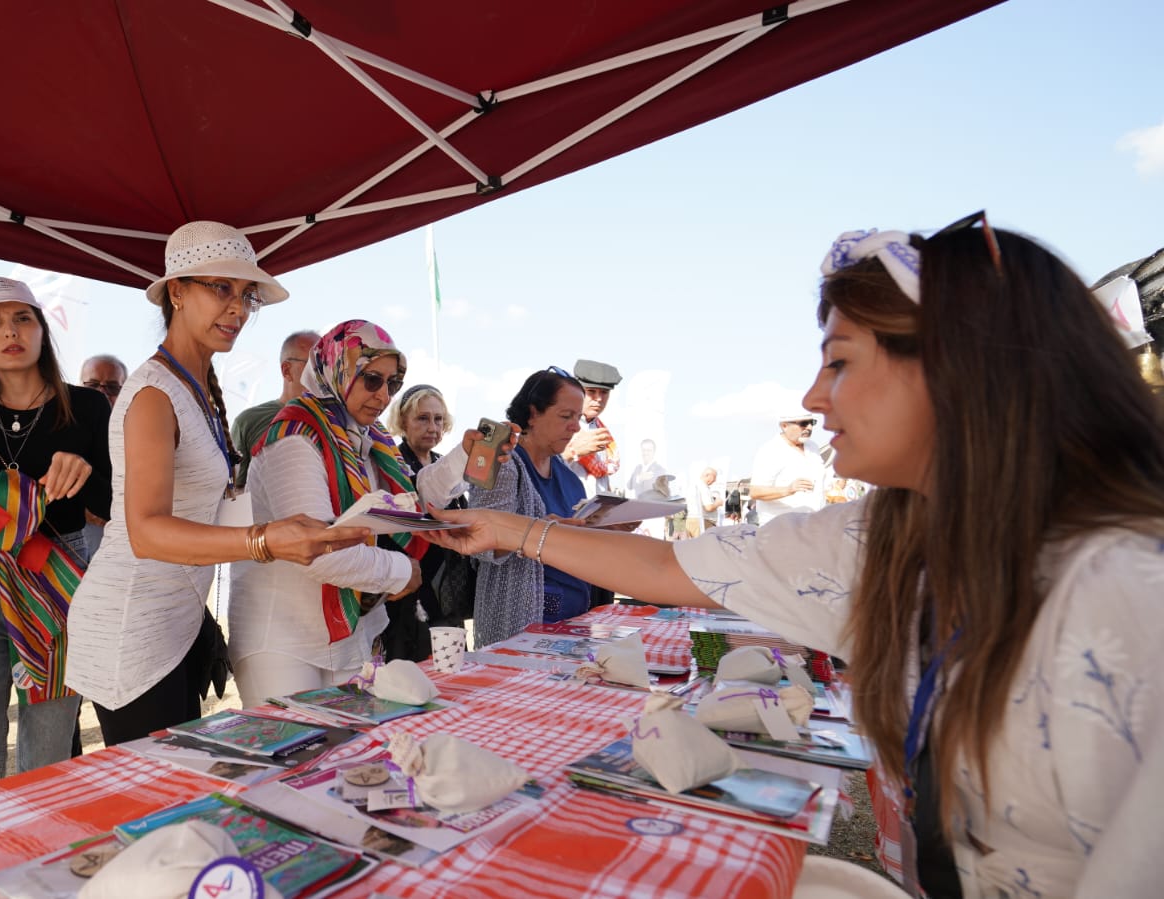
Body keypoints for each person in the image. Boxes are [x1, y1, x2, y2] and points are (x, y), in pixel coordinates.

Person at [425, 217, 1164, 898]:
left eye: (839, 361)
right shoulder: (887, 535)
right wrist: (510, 529)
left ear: (958, 367)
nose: (814, 396)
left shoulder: (1126, 593)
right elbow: (669, 571)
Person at [64, 221, 367, 746]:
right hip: (131, 625)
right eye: (221, 288)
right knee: (156, 800)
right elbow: (146, 532)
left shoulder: (196, 385)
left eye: (247, 295)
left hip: (177, 618)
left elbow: (205, 506)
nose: (239, 308)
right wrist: (266, 540)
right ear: (176, 292)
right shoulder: (154, 393)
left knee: (179, 792)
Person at [230, 325, 475, 703]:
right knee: (294, 756)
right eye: (372, 379)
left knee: (345, 756)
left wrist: (462, 457)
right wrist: (401, 572)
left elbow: (405, 500)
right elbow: (318, 551)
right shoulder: (295, 437)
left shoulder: (366, 438)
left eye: (393, 384)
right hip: (283, 639)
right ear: (337, 371)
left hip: (351, 634)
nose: (383, 395)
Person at [0, 276, 110, 792]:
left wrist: (83, 473)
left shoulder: (87, 407)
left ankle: (41, 864)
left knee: (48, 758)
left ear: (41, 330)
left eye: (22, 318)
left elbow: (117, 504)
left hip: (59, 577)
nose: (9, 331)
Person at [467, 368, 593, 646]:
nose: (576, 427)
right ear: (533, 413)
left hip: (574, 625)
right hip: (520, 631)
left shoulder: (569, 476)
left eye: (578, 417)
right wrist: (546, 531)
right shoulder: (502, 462)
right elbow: (483, 544)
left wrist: (608, 528)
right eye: (566, 416)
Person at [386, 383, 471, 634]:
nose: (432, 427)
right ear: (403, 420)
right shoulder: (393, 465)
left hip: (449, 592)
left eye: (438, 419)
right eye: (423, 418)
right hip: (411, 595)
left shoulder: (442, 464)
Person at [229, 330, 319, 491]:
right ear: (286, 370)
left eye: (327, 366)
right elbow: (236, 492)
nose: (322, 375)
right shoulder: (249, 421)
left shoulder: (336, 421)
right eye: (314, 366)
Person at [79, 353, 127, 557]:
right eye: (93, 385)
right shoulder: (58, 427)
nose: (101, 393)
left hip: (117, 540)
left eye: (112, 387)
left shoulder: (138, 435)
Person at [749, 410, 827, 524]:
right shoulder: (770, 450)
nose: (809, 427)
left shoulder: (813, 447)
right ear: (784, 426)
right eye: (803, 423)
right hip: (781, 529)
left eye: (812, 422)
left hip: (813, 526)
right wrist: (788, 489)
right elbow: (755, 492)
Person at [562, 358, 623, 496]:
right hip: (567, 510)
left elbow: (602, 477)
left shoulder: (600, 429)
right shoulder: (560, 424)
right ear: (577, 390)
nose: (599, 398)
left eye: (604, 392)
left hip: (595, 511)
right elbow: (539, 466)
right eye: (591, 391)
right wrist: (571, 452)